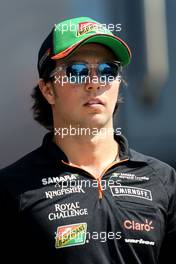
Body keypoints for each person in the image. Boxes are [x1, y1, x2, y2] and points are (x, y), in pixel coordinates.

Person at [0, 16, 175, 264]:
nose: (94, 82)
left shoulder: (163, 180)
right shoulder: (12, 188)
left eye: (107, 70)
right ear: (48, 89)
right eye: (77, 71)